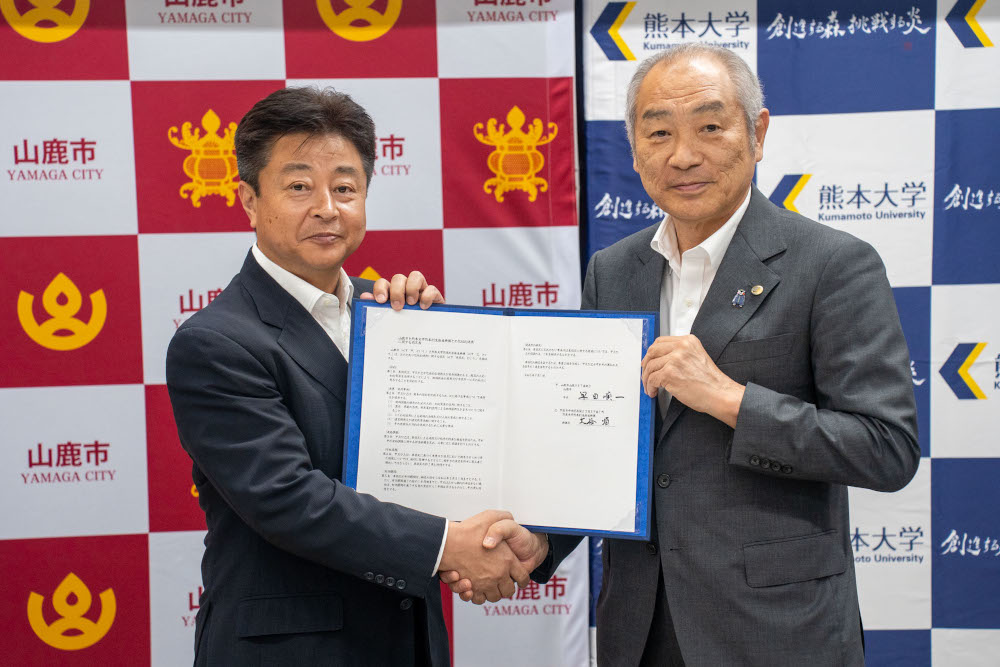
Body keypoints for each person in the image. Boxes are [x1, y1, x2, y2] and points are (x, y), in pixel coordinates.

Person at [443, 44, 919, 666]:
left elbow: (886, 448)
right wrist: (541, 540)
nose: (683, 155)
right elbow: (597, 441)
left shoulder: (832, 264)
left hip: (776, 629)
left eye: (710, 127)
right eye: (659, 133)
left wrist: (730, 399)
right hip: (641, 626)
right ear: (634, 150)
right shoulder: (614, 271)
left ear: (758, 133)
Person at [166, 86, 528, 666]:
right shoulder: (215, 342)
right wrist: (449, 546)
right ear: (249, 200)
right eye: (299, 187)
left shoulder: (392, 317)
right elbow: (288, 498)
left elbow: (440, 459)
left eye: (345, 187)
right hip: (291, 651)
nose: (327, 208)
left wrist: (429, 351)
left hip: (406, 640)